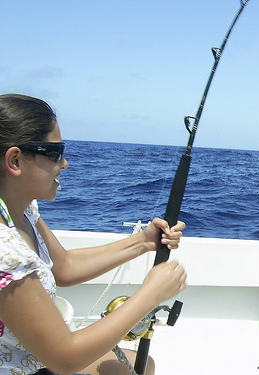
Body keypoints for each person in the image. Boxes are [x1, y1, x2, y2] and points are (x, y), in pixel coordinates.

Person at [0, 94, 188, 375]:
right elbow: (66, 359)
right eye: (55, 152)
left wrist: (142, 242)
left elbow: (64, 267)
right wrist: (151, 294)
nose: (64, 164)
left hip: (36, 359)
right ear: (15, 160)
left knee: (141, 365)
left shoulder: (21, 210)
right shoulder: (6, 251)